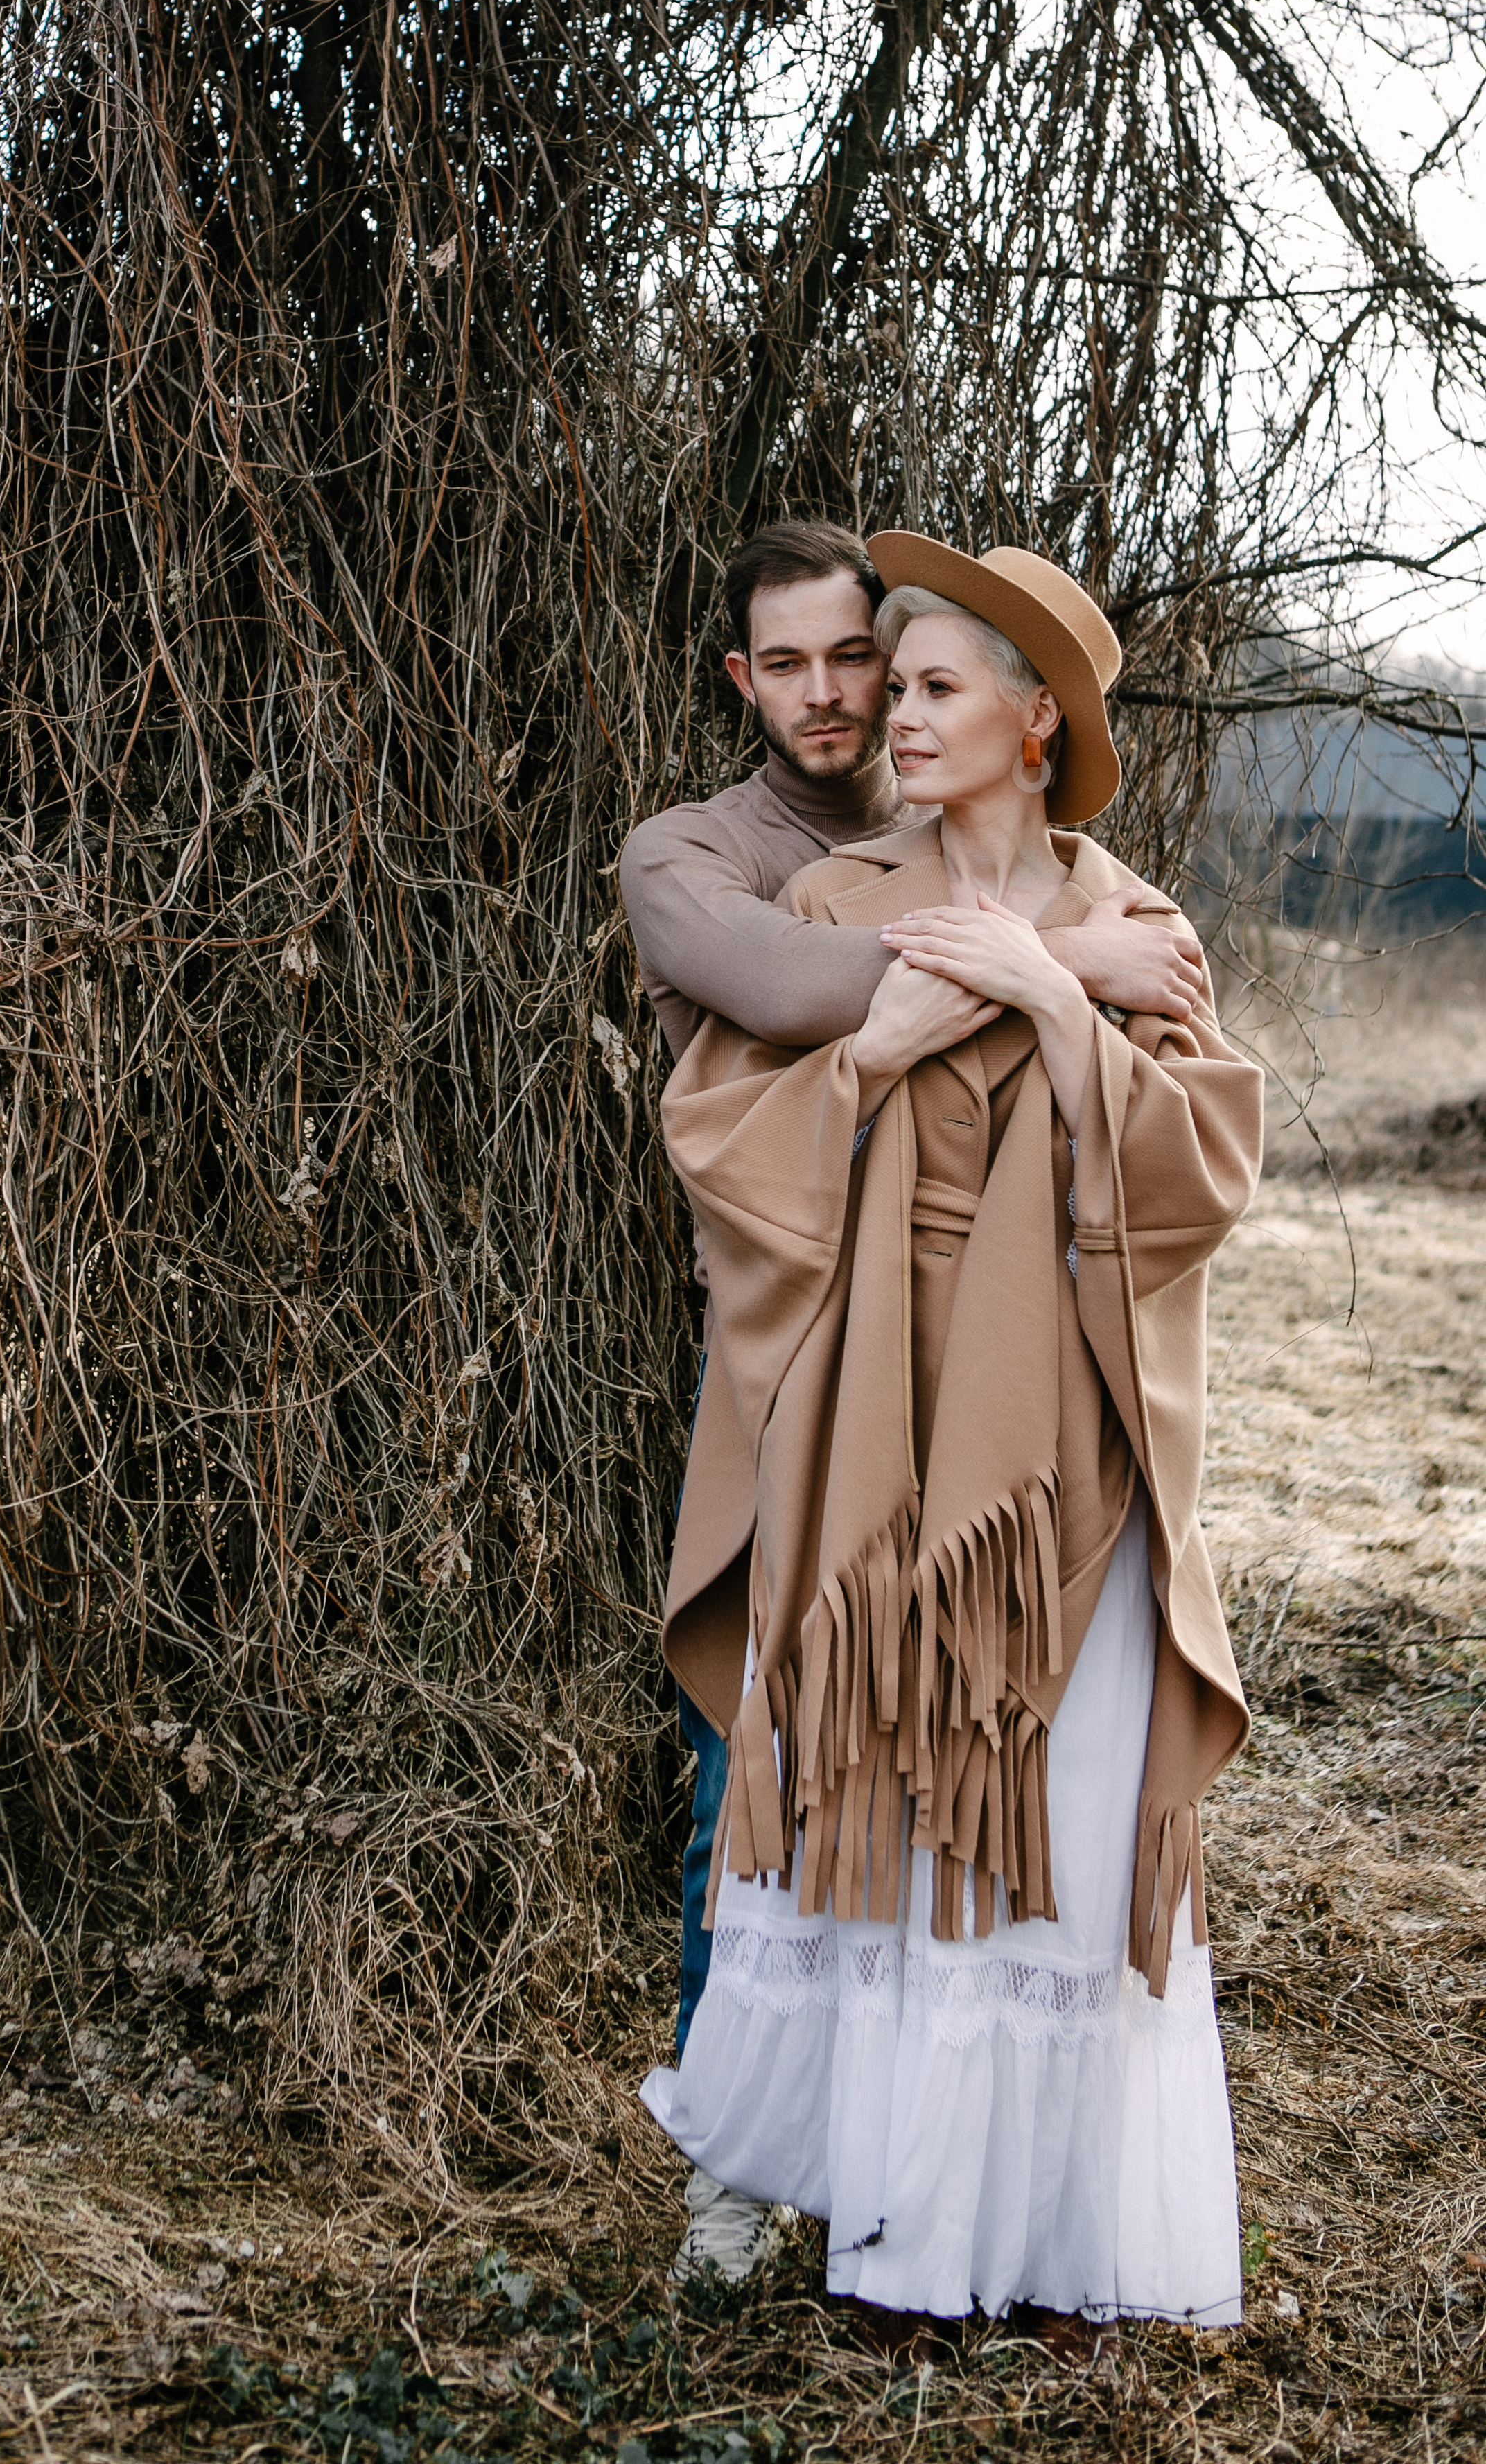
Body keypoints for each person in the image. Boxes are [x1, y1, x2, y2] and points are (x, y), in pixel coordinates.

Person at [638, 532, 1264, 2336]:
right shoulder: (837, 910)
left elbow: (1199, 1173)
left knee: (1035, 1823)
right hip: (860, 1433)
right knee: (870, 1813)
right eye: (868, 682)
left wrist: (1066, 998)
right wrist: (933, 1020)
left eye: (925, 689)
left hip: (1063, 1453)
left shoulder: (1138, 920)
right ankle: (842, 2205)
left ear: (1033, 723)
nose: (883, 721)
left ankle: (1025, 2233)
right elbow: (731, 1156)